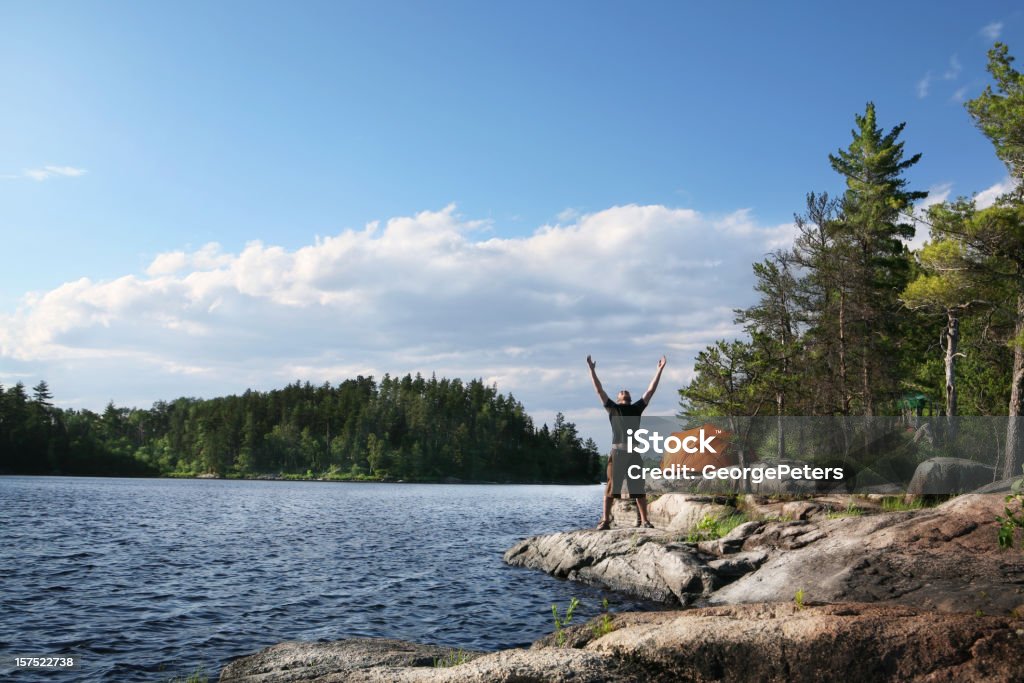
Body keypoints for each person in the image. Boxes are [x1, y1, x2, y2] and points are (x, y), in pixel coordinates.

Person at [587, 354, 666, 530]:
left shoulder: (636, 408)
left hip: (634, 454)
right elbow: (599, 390)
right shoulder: (613, 409)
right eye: (621, 391)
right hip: (617, 453)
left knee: (637, 489)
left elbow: (650, 391)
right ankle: (605, 521)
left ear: (628, 398)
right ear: (617, 398)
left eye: (626, 391)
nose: (623, 391)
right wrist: (592, 370)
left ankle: (645, 521)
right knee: (611, 489)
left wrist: (659, 370)